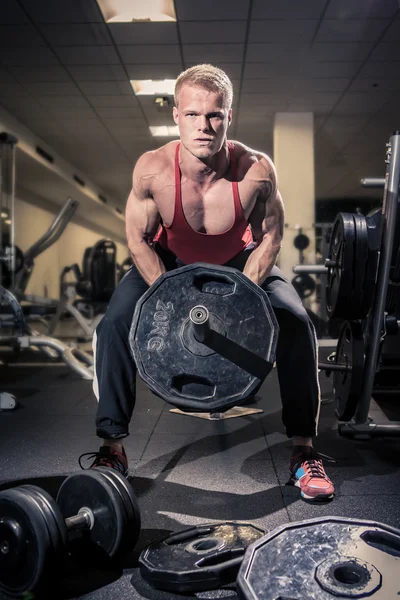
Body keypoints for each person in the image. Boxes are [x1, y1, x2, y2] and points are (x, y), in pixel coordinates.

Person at [81, 64, 335, 503]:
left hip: (239, 263)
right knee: (114, 324)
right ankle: (112, 448)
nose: (204, 125)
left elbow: (271, 235)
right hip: (168, 263)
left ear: (228, 117)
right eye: (193, 114)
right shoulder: (152, 171)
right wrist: (173, 296)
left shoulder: (256, 170)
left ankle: (303, 450)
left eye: (214, 115)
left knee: (296, 320)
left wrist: (243, 299)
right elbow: (137, 239)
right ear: (177, 114)